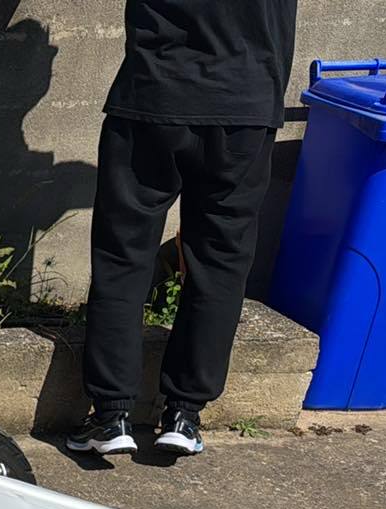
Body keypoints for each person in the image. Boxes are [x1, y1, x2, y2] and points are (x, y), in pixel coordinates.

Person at [68, 0, 298, 457]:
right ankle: (184, 414)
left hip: (154, 96)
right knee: (221, 262)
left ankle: (111, 414)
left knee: (123, 255)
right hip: (245, 106)